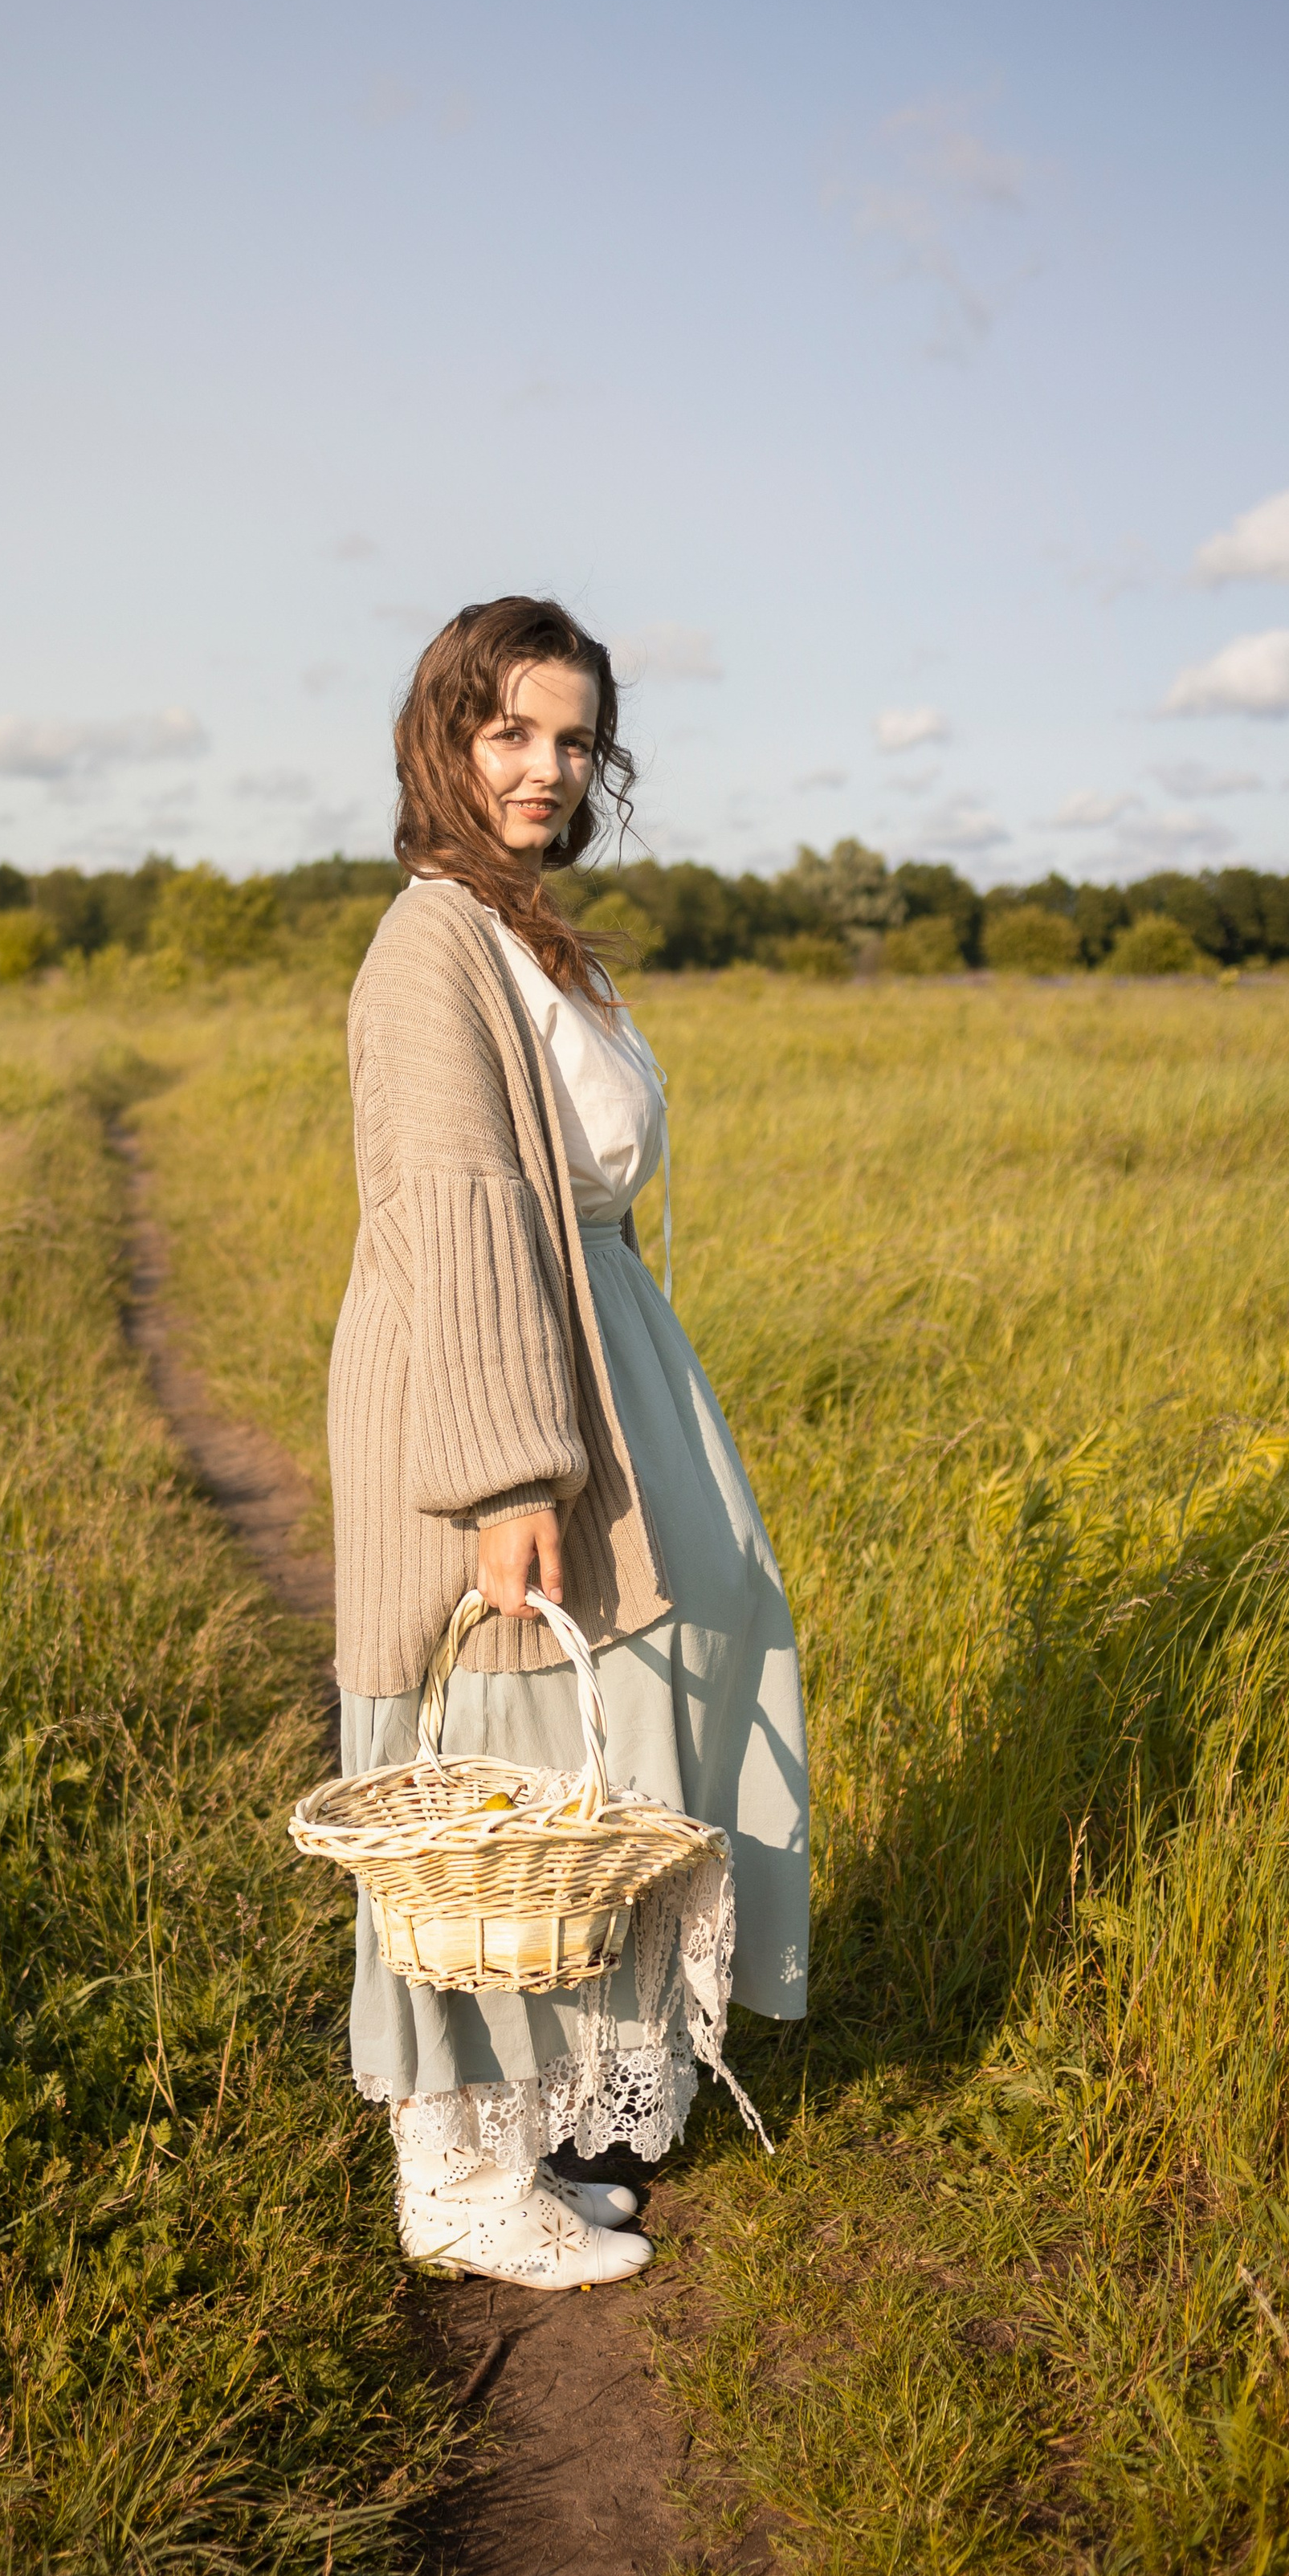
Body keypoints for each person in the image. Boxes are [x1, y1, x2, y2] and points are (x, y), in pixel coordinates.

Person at [329, 594, 809, 2290]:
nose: (543, 767)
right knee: (500, 1772)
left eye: (571, 737)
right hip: (502, 1378)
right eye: (506, 731)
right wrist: (506, 1474)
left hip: (599, 1351)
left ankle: (533, 2128)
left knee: (602, 1752)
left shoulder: (523, 931)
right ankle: (454, 2177)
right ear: (442, 739)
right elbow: (455, 1212)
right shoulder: (429, 946)